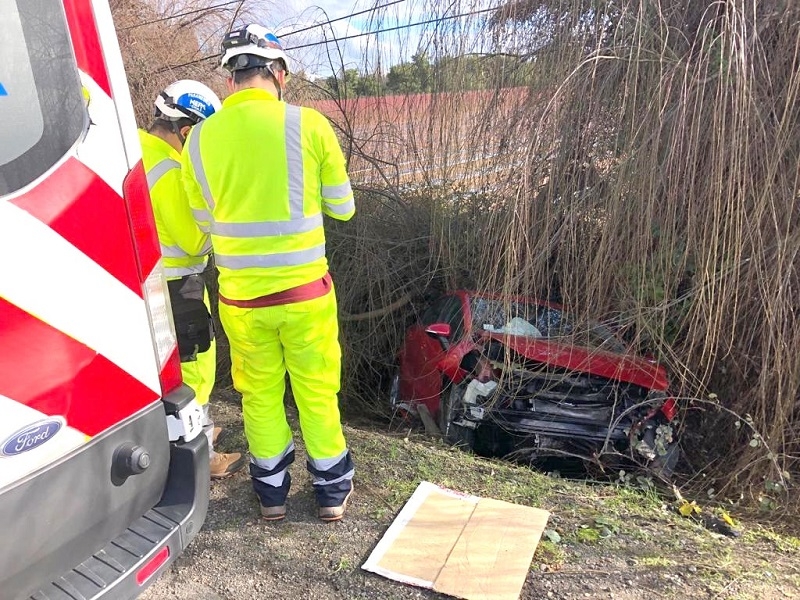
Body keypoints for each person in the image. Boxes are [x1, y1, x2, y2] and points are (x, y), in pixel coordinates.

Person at [181, 25, 355, 522]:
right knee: (316, 389)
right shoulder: (310, 124)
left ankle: (272, 492)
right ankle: (331, 491)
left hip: (240, 300)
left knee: (258, 394)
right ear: (278, 73)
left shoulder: (196, 142)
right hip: (305, 294)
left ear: (231, 78)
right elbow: (343, 208)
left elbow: (204, 222)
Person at [139, 80, 246, 479]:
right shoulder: (168, 170)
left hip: (151, 282)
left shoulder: (136, 154)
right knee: (196, 370)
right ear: (187, 132)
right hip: (178, 285)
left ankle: (194, 434)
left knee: (171, 370)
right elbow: (193, 237)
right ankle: (203, 454)